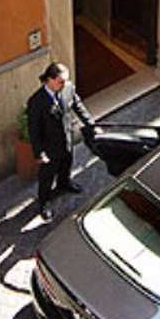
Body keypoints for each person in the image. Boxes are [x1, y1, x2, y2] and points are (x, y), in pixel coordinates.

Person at [26, 62, 95, 220]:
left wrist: (91, 125)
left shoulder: (68, 88)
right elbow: (34, 131)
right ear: (49, 80)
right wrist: (39, 153)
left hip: (66, 140)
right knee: (46, 178)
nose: (64, 84)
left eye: (65, 81)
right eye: (61, 81)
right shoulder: (36, 102)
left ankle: (64, 184)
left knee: (66, 165)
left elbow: (78, 106)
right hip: (49, 148)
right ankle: (44, 202)